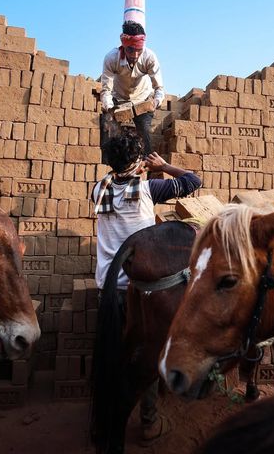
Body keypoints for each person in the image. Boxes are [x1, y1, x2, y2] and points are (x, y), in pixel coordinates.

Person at [92, 129, 201, 441]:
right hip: (140, 288)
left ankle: (108, 415)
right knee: (147, 352)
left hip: (107, 285)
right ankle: (149, 420)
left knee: (114, 351)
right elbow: (193, 182)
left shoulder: (98, 189)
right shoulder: (149, 188)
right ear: (138, 160)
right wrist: (163, 165)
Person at [100, 20, 164, 156]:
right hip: (118, 98)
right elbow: (106, 90)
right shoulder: (111, 58)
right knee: (110, 131)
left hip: (142, 98)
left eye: (139, 50)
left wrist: (156, 102)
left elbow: (159, 89)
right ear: (123, 46)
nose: (135, 55)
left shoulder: (150, 58)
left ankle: (147, 166)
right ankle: (110, 167)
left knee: (144, 132)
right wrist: (110, 109)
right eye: (130, 50)